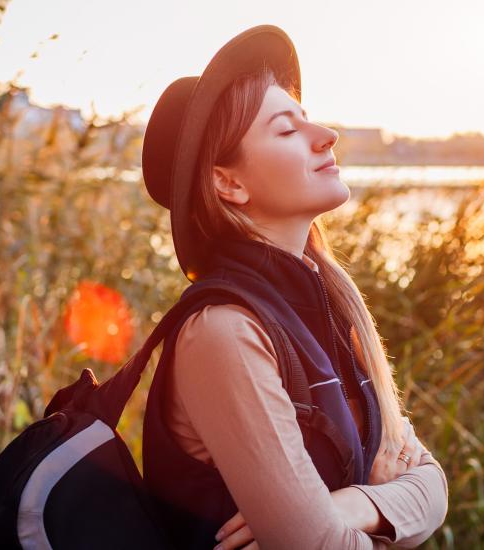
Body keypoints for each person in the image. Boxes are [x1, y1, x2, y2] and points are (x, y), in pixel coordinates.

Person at [139, 24, 449, 549]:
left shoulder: (325, 305)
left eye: (307, 119)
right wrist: (382, 510)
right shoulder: (224, 333)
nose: (326, 135)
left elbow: (435, 487)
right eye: (287, 130)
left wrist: (352, 505)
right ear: (228, 183)